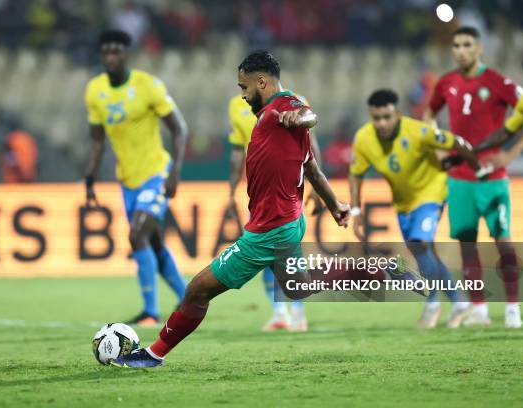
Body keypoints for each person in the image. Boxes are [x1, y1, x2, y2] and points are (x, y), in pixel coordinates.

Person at [111, 50, 350, 368]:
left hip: (270, 229)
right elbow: (313, 169)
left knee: (196, 290)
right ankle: (361, 272)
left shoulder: (283, 108)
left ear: (261, 81)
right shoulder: (271, 120)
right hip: (289, 220)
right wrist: (335, 206)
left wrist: (302, 117)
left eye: (244, 87)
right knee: (298, 285)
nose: (242, 94)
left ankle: (152, 355)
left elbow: (308, 115)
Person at [84, 30, 188, 327]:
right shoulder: (95, 91)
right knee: (154, 243)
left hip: (156, 173)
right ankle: (189, 298)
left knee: (137, 234)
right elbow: (96, 141)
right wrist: (90, 176)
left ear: (127, 55)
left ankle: (150, 312)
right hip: (127, 181)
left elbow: (179, 129)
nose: (111, 57)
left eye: (117, 51)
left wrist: (175, 172)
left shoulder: (148, 86)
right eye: (106, 51)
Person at [349, 89, 479, 328]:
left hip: (432, 193)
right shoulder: (364, 139)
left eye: (387, 117)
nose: (382, 123)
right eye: (376, 118)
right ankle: (459, 302)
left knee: (419, 245)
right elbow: (356, 174)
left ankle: (432, 303)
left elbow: (457, 143)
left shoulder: (418, 131)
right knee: (423, 252)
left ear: (397, 114)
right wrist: (356, 211)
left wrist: (477, 170)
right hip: (403, 203)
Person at [423, 26, 523, 328]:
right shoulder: (446, 82)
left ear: (479, 49)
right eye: (456, 45)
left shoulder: (496, 81)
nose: (461, 50)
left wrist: (508, 155)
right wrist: (440, 151)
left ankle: (512, 308)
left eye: (467, 44)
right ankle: (478, 308)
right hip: (460, 177)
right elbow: (428, 117)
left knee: (504, 243)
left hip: (493, 177)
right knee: (467, 245)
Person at [227, 91, 323, 332]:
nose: (243, 90)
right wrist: (230, 191)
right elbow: (238, 151)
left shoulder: (294, 100)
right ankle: (281, 313)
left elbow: (311, 142)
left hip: (287, 189)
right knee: (268, 256)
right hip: (258, 194)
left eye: (245, 83)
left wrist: (316, 186)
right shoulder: (236, 106)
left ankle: (298, 312)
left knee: (286, 253)